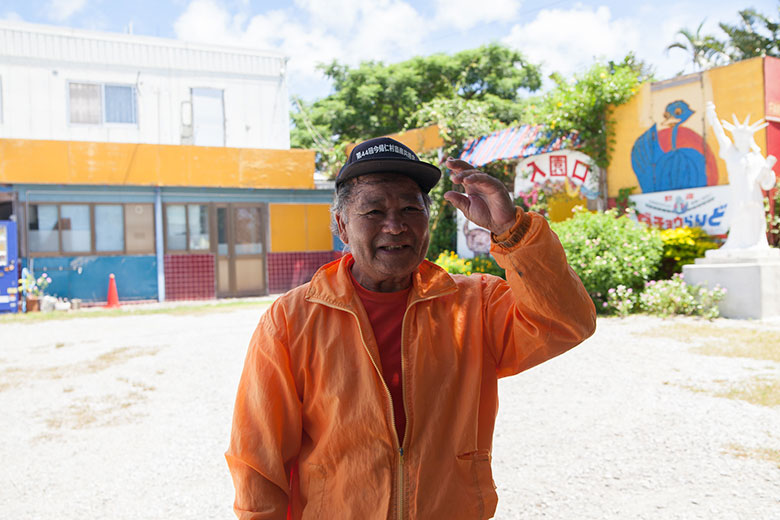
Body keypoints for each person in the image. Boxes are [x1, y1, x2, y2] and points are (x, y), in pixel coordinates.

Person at [226, 136, 597, 519]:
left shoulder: (475, 304)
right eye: (372, 212)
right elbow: (259, 460)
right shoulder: (292, 320)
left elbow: (566, 323)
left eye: (410, 208)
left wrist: (512, 231)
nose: (396, 226)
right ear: (342, 225)